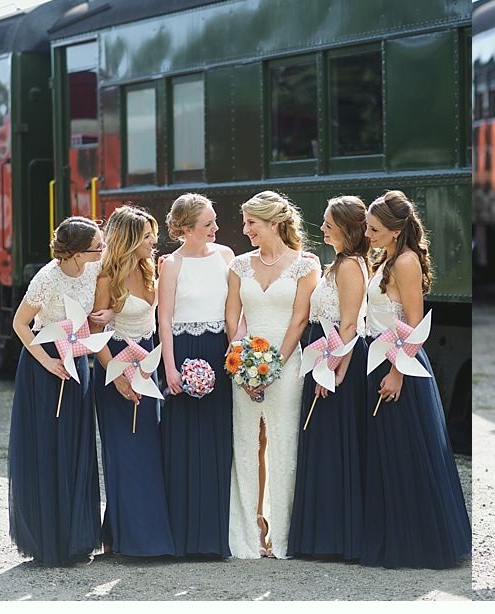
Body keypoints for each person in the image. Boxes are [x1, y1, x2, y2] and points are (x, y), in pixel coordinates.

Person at [362, 190, 472, 568]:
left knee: (406, 453)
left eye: (374, 228)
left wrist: (396, 372)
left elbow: (414, 323)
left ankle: (417, 543)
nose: (368, 233)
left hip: (400, 363)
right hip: (380, 357)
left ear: (394, 231)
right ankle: (393, 535)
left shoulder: (405, 262)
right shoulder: (387, 257)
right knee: (388, 455)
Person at [225, 191, 320, 559]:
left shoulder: (305, 265)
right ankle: (251, 531)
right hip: (245, 365)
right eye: (246, 222)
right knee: (248, 445)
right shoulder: (239, 265)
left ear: (274, 224)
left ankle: (282, 532)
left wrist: (274, 365)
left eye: (252, 223)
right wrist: (242, 358)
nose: (246, 229)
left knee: (283, 444)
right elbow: (233, 313)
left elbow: (299, 319)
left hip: (288, 362)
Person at [8, 216, 104, 566]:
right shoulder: (46, 279)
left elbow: (93, 311)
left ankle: (76, 536)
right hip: (46, 360)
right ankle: (49, 539)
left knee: (76, 442)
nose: (102, 250)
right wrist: (46, 363)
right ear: (77, 252)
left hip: (75, 356)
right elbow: (19, 323)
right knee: (49, 445)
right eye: (98, 246)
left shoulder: (94, 269)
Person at [91, 205, 175, 557]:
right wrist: (117, 378)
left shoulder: (151, 270)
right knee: (124, 453)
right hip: (115, 366)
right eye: (146, 236)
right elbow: (94, 331)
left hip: (147, 364)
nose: (154, 242)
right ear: (128, 240)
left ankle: (130, 534)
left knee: (147, 452)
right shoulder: (106, 278)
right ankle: (130, 540)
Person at [288, 196, 369, 560]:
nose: (321, 230)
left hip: (339, 364)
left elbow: (350, 325)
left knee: (336, 445)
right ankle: (320, 534)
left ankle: (337, 537)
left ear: (347, 230)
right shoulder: (335, 264)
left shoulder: (351, 266)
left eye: (328, 225)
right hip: (323, 359)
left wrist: (334, 371)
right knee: (320, 444)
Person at [158, 193, 235, 557]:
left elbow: (234, 308)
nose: (216, 229)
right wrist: (170, 368)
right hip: (184, 352)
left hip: (219, 351)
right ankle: (184, 535)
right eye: (208, 224)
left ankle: (216, 535)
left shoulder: (226, 256)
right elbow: (165, 319)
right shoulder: (171, 264)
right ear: (186, 229)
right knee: (184, 442)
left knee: (218, 438)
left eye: (214, 221)